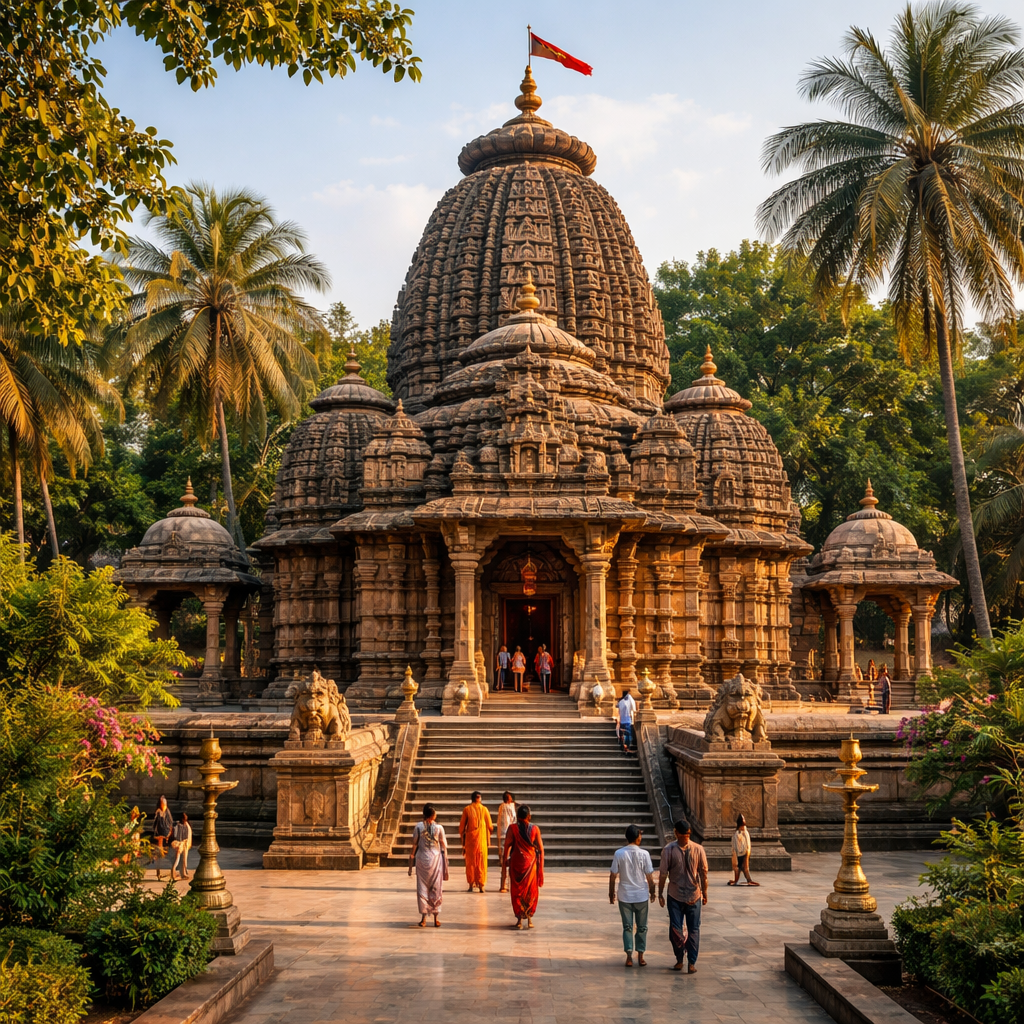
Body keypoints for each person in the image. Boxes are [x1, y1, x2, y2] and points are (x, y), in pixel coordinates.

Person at [658, 819, 708, 974]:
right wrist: (660, 892)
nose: (685, 837)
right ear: (677, 833)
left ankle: (689, 961)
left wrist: (704, 892)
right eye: (684, 835)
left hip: (688, 894)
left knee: (688, 929)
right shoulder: (670, 850)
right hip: (679, 895)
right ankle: (682, 960)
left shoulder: (673, 849)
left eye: (687, 835)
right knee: (680, 929)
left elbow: (703, 874)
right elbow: (663, 874)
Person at [609, 824, 656, 967]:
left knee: (627, 926)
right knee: (642, 927)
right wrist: (653, 891)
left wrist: (611, 893)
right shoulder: (644, 854)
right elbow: (649, 877)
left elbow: (612, 876)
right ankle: (640, 955)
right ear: (637, 838)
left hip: (625, 895)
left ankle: (629, 956)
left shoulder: (619, 853)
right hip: (641, 895)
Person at [503, 803, 544, 929]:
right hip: (531, 865)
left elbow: (507, 847)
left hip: (516, 863)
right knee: (530, 891)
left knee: (517, 892)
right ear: (529, 817)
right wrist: (541, 866)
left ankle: (520, 919)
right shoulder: (535, 829)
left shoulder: (512, 828)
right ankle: (530, 918)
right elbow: (541, 849)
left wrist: (505, 862)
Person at [409, 803, 448, 927]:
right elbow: (444, 845)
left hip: (422, 859)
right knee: (436, 887)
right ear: (433, 815)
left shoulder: (418, 827)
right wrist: (445, 862)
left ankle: (424, 918)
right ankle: (436, 918)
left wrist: (411, 863)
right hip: (436, 860)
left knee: (422, 888)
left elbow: (414, 845)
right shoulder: (439, 828)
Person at [459, 791, 494, 893]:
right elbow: (490, 826)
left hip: (470, 841)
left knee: (470, 862)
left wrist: (463, 838)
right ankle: (481, 885)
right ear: (479, 798)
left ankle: (471, 884)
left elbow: (461, 828)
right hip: (481, 840)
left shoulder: (467, 809)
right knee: (481, 862)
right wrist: (487, 833)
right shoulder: (484, 809)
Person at [727, 814, 758, 886]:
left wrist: (747, 852)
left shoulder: (745, 832)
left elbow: (747, 844)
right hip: (738, 853)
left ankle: (748, 880)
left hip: (745, 852)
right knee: (737, 867)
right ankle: (737, 880)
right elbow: (735, 844)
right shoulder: (736, 833)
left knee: (745, 868)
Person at [497, 792, 517, 893]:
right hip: (508, 835)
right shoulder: (508, 807)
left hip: (504, 835)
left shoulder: (502, 807)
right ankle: (505, 884)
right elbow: (514, 818)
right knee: (506, 861)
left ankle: (504, 884)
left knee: (505, 861)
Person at [150, 795, 174, 880]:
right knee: (159, 854)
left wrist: (169, 832)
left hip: (166, 834)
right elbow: (155, 824)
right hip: (160, 834)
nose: (164, 804)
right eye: (162, 803)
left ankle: (168, 872)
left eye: (164, 803)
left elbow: (170, 822)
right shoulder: (158, 812)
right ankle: (159, 872)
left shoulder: (167, 811)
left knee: (167, 853)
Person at [170, 812, 193, 881]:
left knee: (182, 859)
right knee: (177, 859)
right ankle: (174, 874)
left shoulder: (185, 825)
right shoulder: (178, 825)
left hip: (183, 843)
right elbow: (176, 835)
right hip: (180, 843)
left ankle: (183, 873)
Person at [617, 688, 637, 754]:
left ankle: (623, 747)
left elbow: (617, 708)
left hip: (622, 721)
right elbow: (633, 708)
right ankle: (627, 748)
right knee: (627, 735)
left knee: (623, 735)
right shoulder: (628, 700)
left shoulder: (620, 702)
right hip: (627, 720)